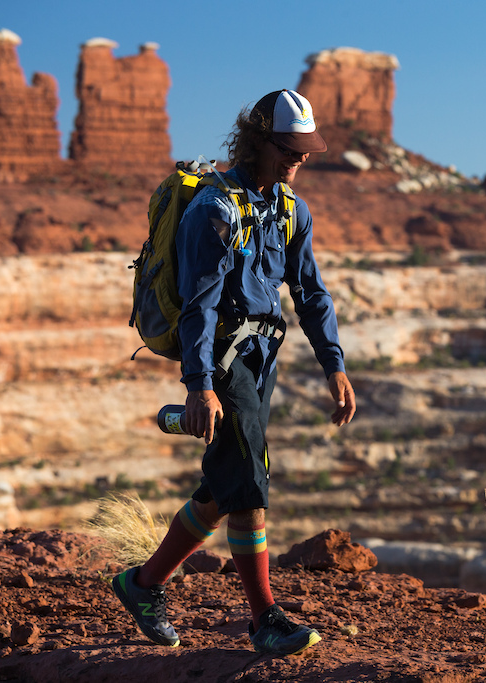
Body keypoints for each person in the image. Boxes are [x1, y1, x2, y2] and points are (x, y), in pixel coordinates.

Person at [112, 89, 356, 657]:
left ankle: (142, 584)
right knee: (249, 477)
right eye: (291, 149)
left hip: (262, 358)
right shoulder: (214, 209)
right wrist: (198, 385)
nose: (301, 159)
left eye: (305, 149)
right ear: (259, 140)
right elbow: (198, 303)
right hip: (220, 356)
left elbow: (310, 293)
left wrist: (334, 366)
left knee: (224, 484)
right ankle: (264, 618)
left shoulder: (292, 209)